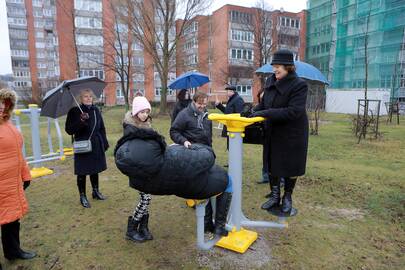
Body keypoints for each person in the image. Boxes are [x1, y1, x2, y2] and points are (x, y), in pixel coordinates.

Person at [115, 96, 233, 239]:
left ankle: (143, 227)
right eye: (142, 112)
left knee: (146, 199)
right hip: (145, 169)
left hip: (190, 155)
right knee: (144, 200)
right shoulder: (135, 128)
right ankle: (132, 228)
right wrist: (183, 142)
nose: (145, 115)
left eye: (147, 111)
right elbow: (173, 132)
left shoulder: (145, 126)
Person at [250, 49, 309, 214]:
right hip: (273, 131)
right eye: (274, 66)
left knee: (291, 166)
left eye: (278, 66)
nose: (275, 70)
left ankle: (287, 197)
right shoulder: (270, 81)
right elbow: (264, 104)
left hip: (293, 133)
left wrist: (264, 113)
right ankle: (275, 196)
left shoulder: (299, 85)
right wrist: (252, 111)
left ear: (289, 67)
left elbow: (293, 112)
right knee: (272, 164)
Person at [170, 91, 232, 234]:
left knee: (212, 185)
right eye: (200, 104)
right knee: (207, 185)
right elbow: (174, 131)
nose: (202, 107)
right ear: (194, 101)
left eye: (204, 104)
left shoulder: (206, 115)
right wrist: (184, 141)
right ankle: (210, 224)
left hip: (207, 154)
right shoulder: (184, 114)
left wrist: (210, 150)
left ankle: (213, 225)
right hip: (193, 156)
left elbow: (207, 136)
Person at [0, 88, 37, 261]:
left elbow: (18, 153)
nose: (1, 106)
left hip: (11, 184)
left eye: (2, 102)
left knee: (11, 219)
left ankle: (13, 251)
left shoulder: (7, 124)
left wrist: (25, 174)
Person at [65, 89, 109, 208]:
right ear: (81, 98)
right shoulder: (74, 111)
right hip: (82, 145)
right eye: (85, 96)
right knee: (82, 172)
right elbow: (69, 130)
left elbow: (101, 128)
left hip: (96, 144)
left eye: (90, 96)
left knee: (95, 169)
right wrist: (81, 120)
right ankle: (82, 196)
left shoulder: (95, 110)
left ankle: (95, 192)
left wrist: (104, 143)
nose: (88, 98)